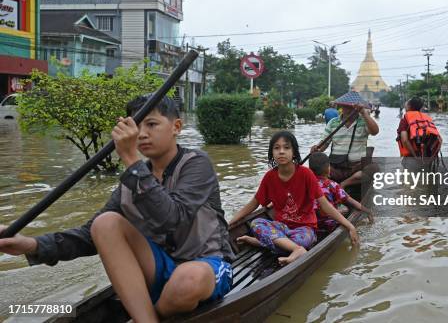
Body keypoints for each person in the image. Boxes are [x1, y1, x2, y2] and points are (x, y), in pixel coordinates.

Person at [0, 95, 234, 322]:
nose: (142, 134)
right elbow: (89, 235)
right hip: (157, 272)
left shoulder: (196, 164)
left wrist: (131, 160)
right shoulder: (132, 181)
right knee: (106, 223)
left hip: (206, 268)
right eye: (136, 127)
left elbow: (172, 218)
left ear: (176, 127)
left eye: (152, 124)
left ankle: (148, 314)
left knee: (187, 280)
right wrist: (29, 244)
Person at [230, 131, 358, 266]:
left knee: (303, 240)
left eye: (286, 148)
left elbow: (325, 205)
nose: (281, 152)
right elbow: (253, 204)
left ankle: (263, 243)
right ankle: (297, 250)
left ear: (294, 152)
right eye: (277, 148)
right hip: (281, 228)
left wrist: (349, 226)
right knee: (256, 223)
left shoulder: (306, 174)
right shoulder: (269, 177)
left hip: (304, 229)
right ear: (272, 152)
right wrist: (230, 223)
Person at [311, 92, 379, 189]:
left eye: (353, 107)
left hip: (357, 167)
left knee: (374, 169)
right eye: (346, 107)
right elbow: (324, 144)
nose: (349, 110)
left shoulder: (364, 121)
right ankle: (331, 186)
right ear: (341, 107)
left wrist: (364, 113)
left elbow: (375, 131)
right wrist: (316, 149)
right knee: (316, 169)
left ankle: (344, 184)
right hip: (336, 167)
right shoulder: (333, 123)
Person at [308, 152, 373, 232]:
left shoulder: (306, 184)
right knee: (361, 222)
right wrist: (367, 211)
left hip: (311, 223)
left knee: (343, 211)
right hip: (329, 224)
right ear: (328, 168)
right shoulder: (332, 185)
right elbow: (350, 201)